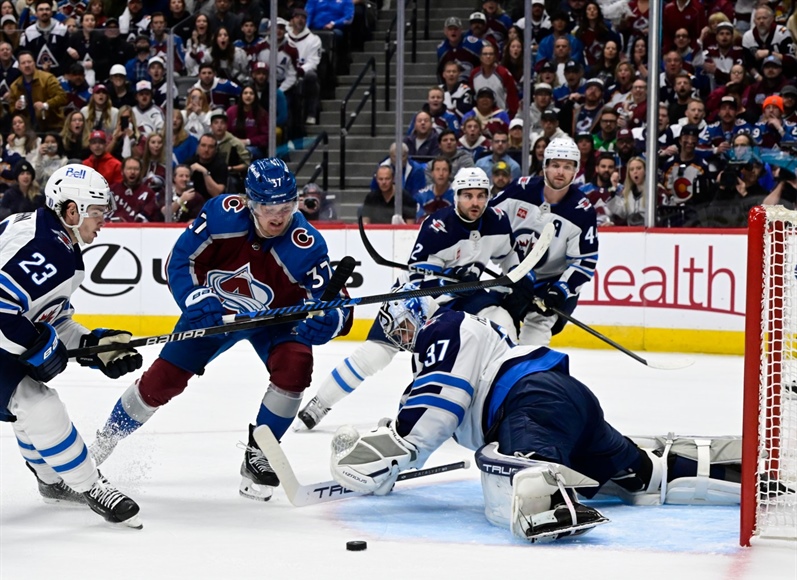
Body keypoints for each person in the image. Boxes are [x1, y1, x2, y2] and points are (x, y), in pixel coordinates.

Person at [329, 296, 742, 543]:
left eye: (400, 326)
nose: (401, 338)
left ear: (415, 315)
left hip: (531, 405)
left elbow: (433, 413)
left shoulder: (441, 328)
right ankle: (741, 472)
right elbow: (425, 408)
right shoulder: (470, 330)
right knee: (640, 475)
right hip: (567, 399)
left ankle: (543, 489)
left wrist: (393, 450)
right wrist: (394, 442)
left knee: (518, 477)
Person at [89, 158, 353, 503]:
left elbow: (337, 303)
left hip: (275, 321)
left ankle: (260, 453)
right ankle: (102, 443)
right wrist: (194, 297)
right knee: (161, 382)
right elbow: (180, 260)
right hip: (214, 314)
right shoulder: (221, 215)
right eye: (267, 207)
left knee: (296, 365)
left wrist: (330, 322)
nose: (277, 217)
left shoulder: (306, 244)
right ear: (248, 202)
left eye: (286, 207)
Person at [296, 167, 522, 430]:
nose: (475, 202)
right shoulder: (437, 226)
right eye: (468, 195)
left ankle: (504, 403)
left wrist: (514, 284)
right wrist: (447, 279)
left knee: (501, 323)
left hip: (467, 296)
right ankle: (320, 403)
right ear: (456, 195)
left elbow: (509, 258)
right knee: (376, 353)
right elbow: (419, 280)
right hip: (422, 298)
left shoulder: (497, 220)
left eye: (481, 195)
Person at [0, 163, 143, 528]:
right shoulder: (47, 247)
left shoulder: (53, 239)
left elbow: (48, 317)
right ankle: (91, 487)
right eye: (97, 212)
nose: (102, 221)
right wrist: (36, 345)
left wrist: (93, 346)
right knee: (38, 403)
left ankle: (52, 481)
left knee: (27, 397)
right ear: (71, 210)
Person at [491, 137, 598, 346]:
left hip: (551, 285)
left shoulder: (582, 211)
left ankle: (529, 373)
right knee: (496, 327)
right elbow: (489, 224)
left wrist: (561, 290)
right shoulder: (520, 190)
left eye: (567, 167)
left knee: (536, 331)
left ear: (575, 171)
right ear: (545, 166)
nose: (560, 172)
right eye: (555, 165)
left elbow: (584, 263)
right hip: (514, 276)